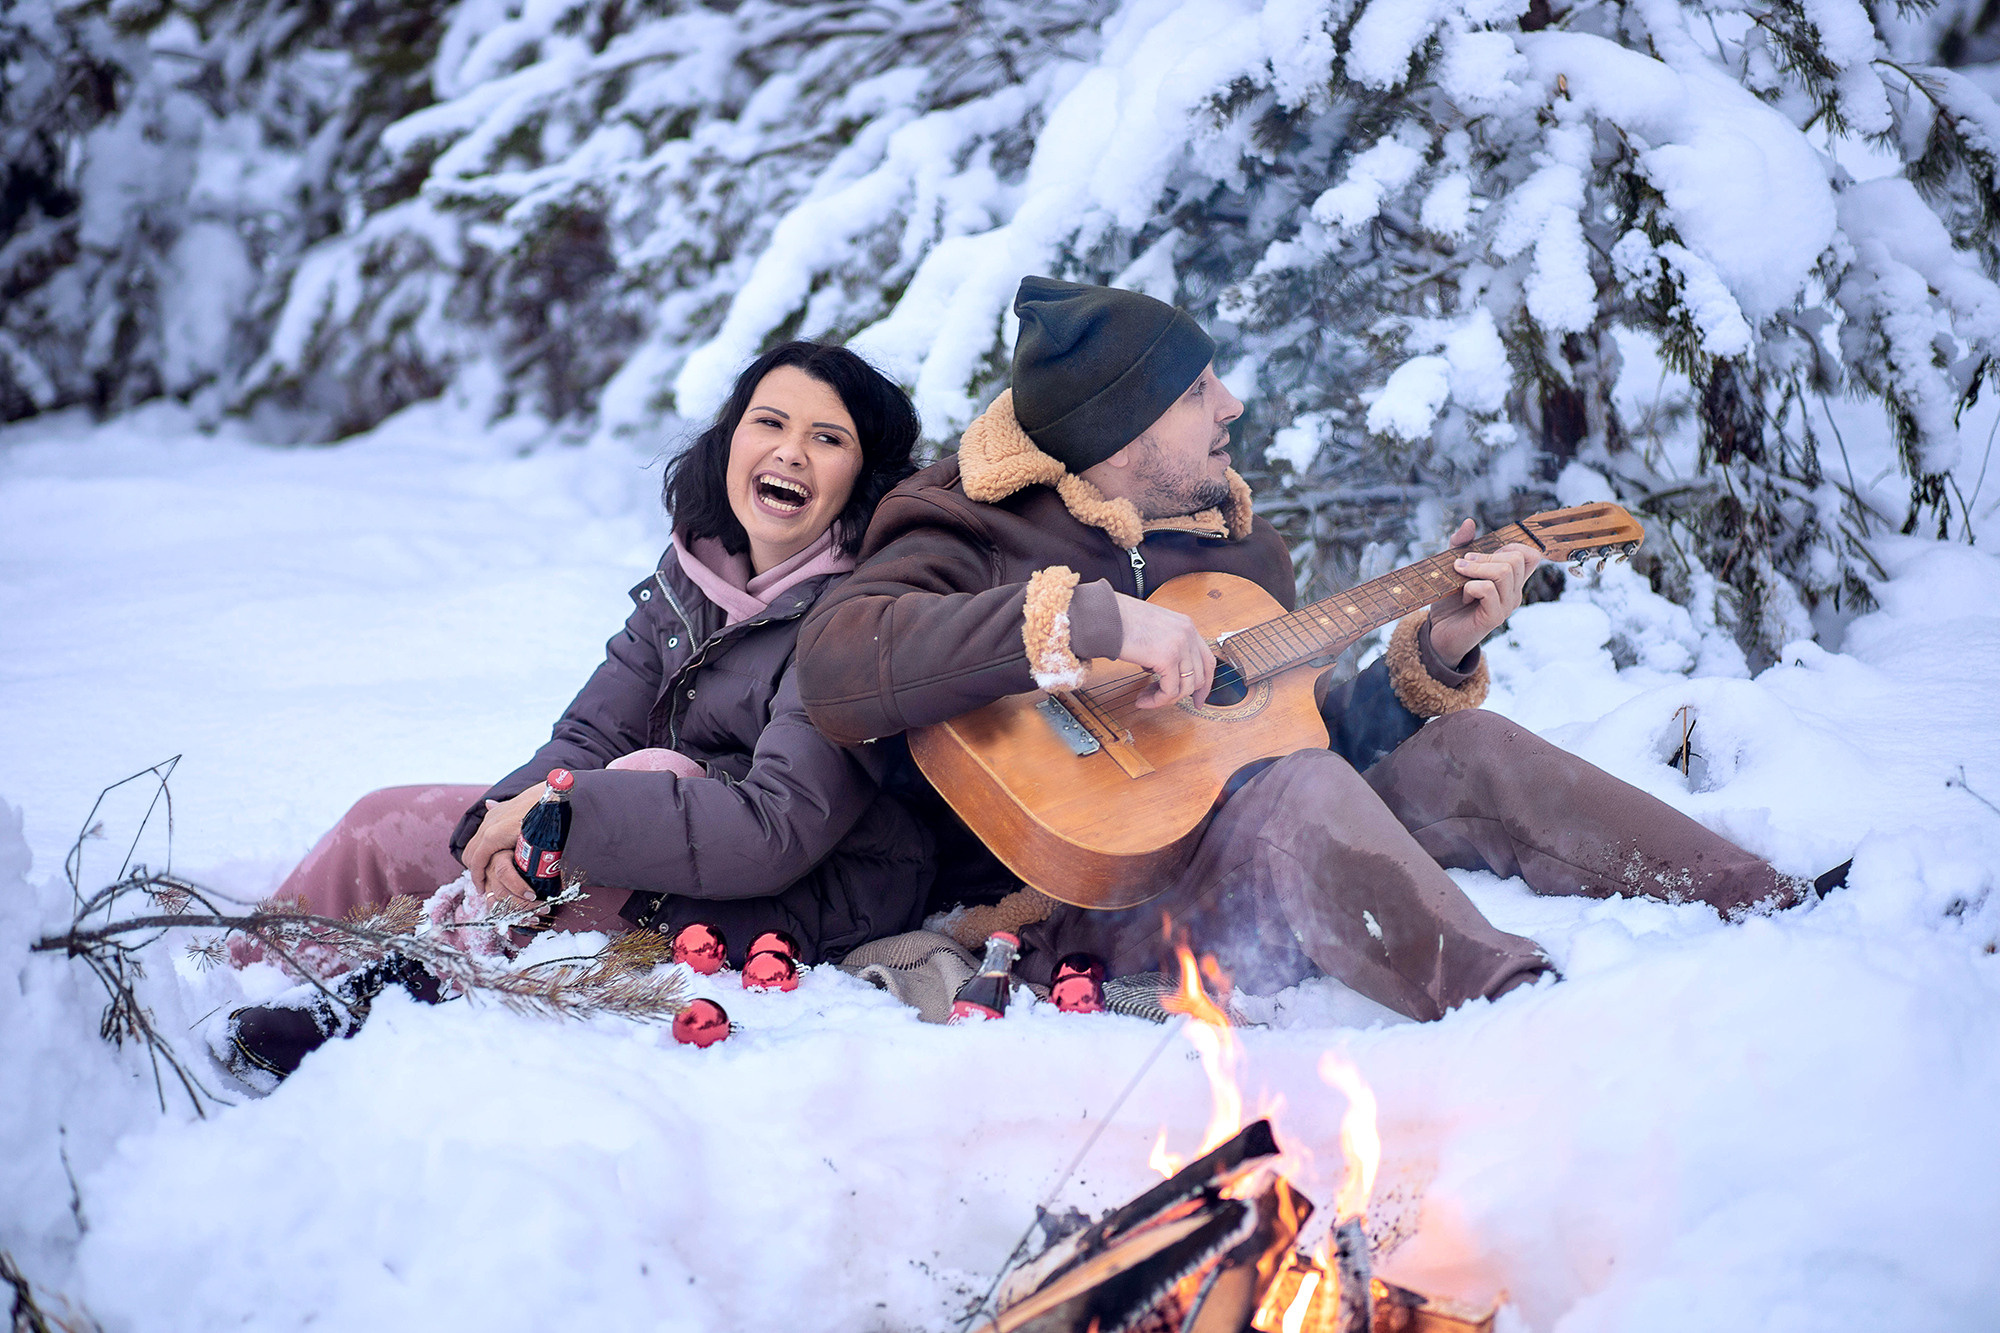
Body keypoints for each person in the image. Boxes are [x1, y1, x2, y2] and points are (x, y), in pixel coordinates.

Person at [793, 277, 1827, 1022]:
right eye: (1197, 390)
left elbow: (1301, 742)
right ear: (1124, 425)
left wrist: (1435, 653)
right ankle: (1508, 1012)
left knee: (1471, 748)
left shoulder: (1232, 552)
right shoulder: (962, 523)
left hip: (1250, 870)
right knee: (1288, 795)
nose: (1229, 408)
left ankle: (1765, 901)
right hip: (1076, 915)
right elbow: (841, 661)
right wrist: (1090, 621)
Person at [224, 341, 934, 1079]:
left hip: (817, 886)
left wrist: (563, 817)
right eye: (770, 422)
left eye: (828, 438)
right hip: (663, 826)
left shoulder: (858, 621)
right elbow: (592, 733)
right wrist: (497, 824)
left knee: (626, 796)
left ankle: (395, 998)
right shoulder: (693, 574)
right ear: (731, 438)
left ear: (863, 476)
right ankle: (230, 976)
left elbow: (773, 829)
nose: (790, 453)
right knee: (382, 824)